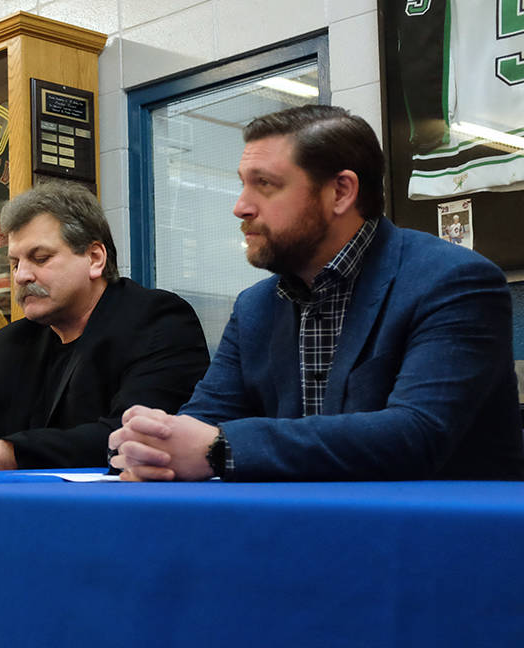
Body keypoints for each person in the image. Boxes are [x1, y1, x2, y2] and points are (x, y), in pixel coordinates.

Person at [109, 105, 524, 481]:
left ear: (341, 192)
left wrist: (221, 448)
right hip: (304, 533)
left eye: (265, 184)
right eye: (243, 184)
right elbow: (206, 418)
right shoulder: (256, 305)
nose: (240, 206)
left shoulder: (454, 280)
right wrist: (156, 443)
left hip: (443, 542)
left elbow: (417, 433)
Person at [0, 180, 210, 470]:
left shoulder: (159, 320)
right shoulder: (8, 344)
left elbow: (130, 435)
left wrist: (5, 453)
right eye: (14, 263)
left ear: (94, 258)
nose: (21, 276)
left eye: (40, 258)